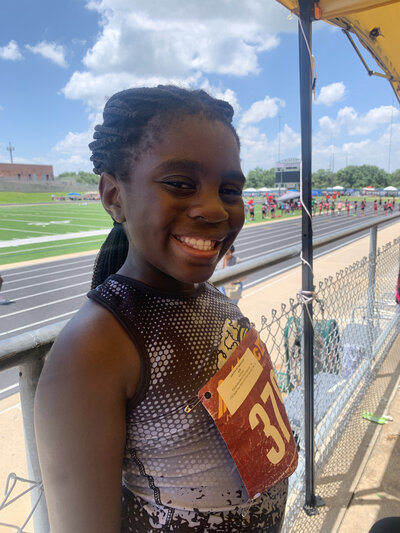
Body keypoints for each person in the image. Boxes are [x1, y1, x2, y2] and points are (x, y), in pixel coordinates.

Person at [34, 86, 293, 533]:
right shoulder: (93, 349)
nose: (214, 209)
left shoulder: (208, 297)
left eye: (230, 189)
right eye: (180, 183)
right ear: (114, 196)